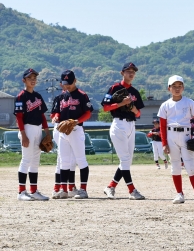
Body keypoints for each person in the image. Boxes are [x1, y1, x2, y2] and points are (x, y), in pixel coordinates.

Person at [157, 75, 194, 204]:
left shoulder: (189, 102)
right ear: (169, 88)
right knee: (175, 165)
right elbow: (162, 126)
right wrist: (164, 143)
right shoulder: (165, 105)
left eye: (179, 86)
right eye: (174, 86)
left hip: (186, 135)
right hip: (171, 135)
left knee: (190, 165)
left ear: (183, 87)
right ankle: (179, 194)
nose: (177, 88)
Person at [102, 63, 146, 200]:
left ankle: (110, 187)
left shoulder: (135, 92)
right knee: (125, 159)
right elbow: (105, 108)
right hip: (119, 124)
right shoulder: (115, 88)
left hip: (131, 125)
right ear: (122, 73)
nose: (131, 73)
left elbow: (138, 114)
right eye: (128, 71)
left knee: (127, 161)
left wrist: (133, 109)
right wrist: (121, 103)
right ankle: (132, 190)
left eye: (133, 71)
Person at [53, 70, 94, 199]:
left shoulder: (82, 95)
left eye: (70, 83)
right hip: (63, 131)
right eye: (65, 83)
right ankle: (64, 190)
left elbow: (88, 113)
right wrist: (56, 117)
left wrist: (77, 121)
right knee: (64, 161)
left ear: (75, 81)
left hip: (76, 130)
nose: (68, 85)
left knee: (81, 160)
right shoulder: (62, 96)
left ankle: (83, 190)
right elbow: (57, 111)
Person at [14, 68, 51, 201]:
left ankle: (34, 191)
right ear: (24, 80)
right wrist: (23, 135)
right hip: (27, 129)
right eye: (30, 78)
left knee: (35, 161)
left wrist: (47, 132)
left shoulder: (38, 96)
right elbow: (19, 117)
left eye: (34, 78)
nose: (33, 80)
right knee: (26, 160)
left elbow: (42, 116)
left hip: (38, 129)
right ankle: (21, 192)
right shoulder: (21, 96)